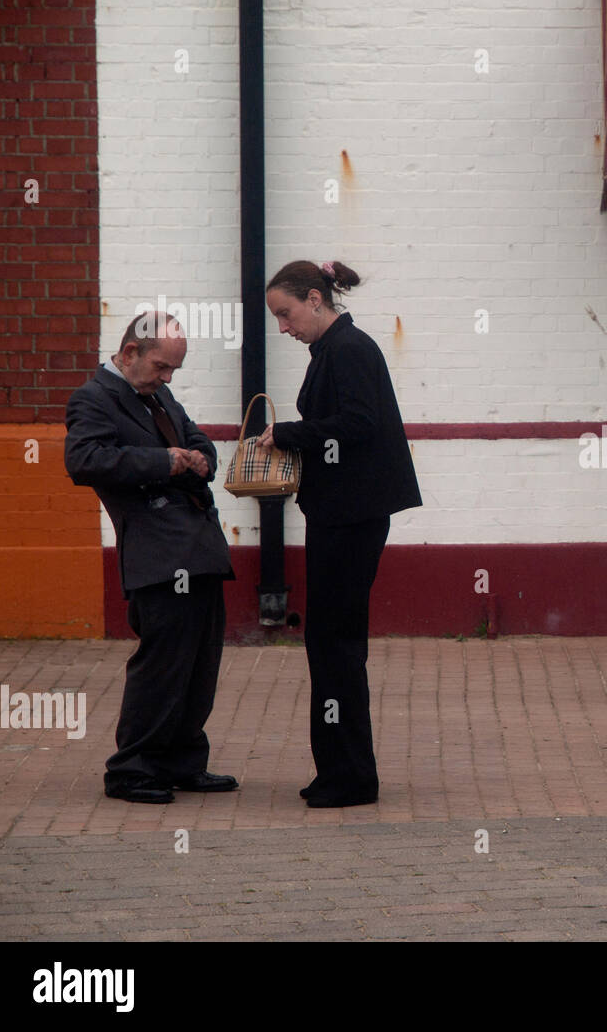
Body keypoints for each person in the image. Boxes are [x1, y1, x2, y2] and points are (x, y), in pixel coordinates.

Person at [257, 261, 421, 808]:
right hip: (342, 513)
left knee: (335, 642)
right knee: (330, 641)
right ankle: (340, 770)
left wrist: (287, 435)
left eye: (286, 313)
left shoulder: (349, 350)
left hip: (351, 515)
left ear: (314, 297)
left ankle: (350, 776)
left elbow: (358, 423)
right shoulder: (335, 349)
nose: (283, 326)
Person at [64, 312, 236, 804]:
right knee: (161, 664)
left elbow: (194, 437)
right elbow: (84, 460)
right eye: (161, 366)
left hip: (197, 547)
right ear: (130, 352)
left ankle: (182, 760)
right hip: (158, 553)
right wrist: (166, 461)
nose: (167, 378)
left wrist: (200, 455)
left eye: (173, 371)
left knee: (200, 662)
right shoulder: (94, 399)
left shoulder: (156, 396)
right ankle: (132, 769)